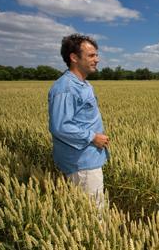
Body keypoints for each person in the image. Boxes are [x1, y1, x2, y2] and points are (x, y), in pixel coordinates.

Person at [48, 33, 109, 210]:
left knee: (89, 211)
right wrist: (92, 137)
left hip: (87, 159)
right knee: (94, 215)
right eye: (91, 55)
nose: (97, 59)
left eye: (96, 55)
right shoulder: (66, 88)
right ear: (74, 57)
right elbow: (60, 126)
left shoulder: (83, 84)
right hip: (82, 164)